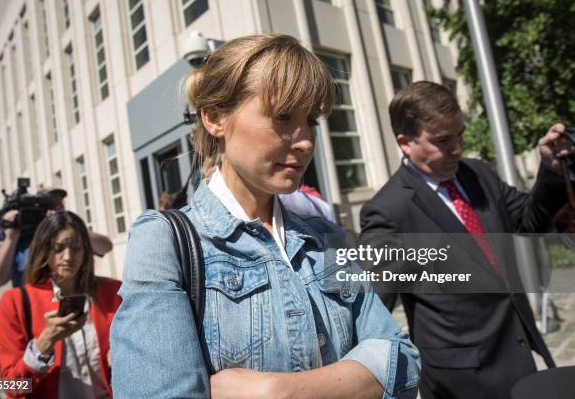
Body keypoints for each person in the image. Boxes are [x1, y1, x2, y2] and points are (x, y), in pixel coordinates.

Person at [110, 34, 420, 398]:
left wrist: (277, 391)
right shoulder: (166, 241)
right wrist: (356, 379)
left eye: (312, 122)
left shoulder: (325, 237)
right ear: (214, 118)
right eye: (283, 116)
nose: (304, 141)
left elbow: (402, 359)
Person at [359, 81, 569, 399]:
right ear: (406, 143)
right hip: (459, 382)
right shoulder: (387, 211)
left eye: (460, 135)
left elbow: (529, 222)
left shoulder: (478, 174)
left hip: (516, 353)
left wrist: (551, 171)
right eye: (443, 141)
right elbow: (371, 306)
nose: (456, 148)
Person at [0, 211, 121, 398]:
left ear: (86, 250)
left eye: (76, 247)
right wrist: (44, 343)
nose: (68, 256)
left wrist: (125, 354)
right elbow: (12, 386)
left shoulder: (114, 292)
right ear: (44, 249)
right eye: (58, 248)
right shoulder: (15, 302)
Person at [0, 187, 113, 288]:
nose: (57, 208)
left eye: (59, 205)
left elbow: (106, 246)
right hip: (34, 309)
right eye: (51, 204)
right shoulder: (21, 239)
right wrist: (10, 239)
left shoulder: (73, 234)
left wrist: (72, 227)